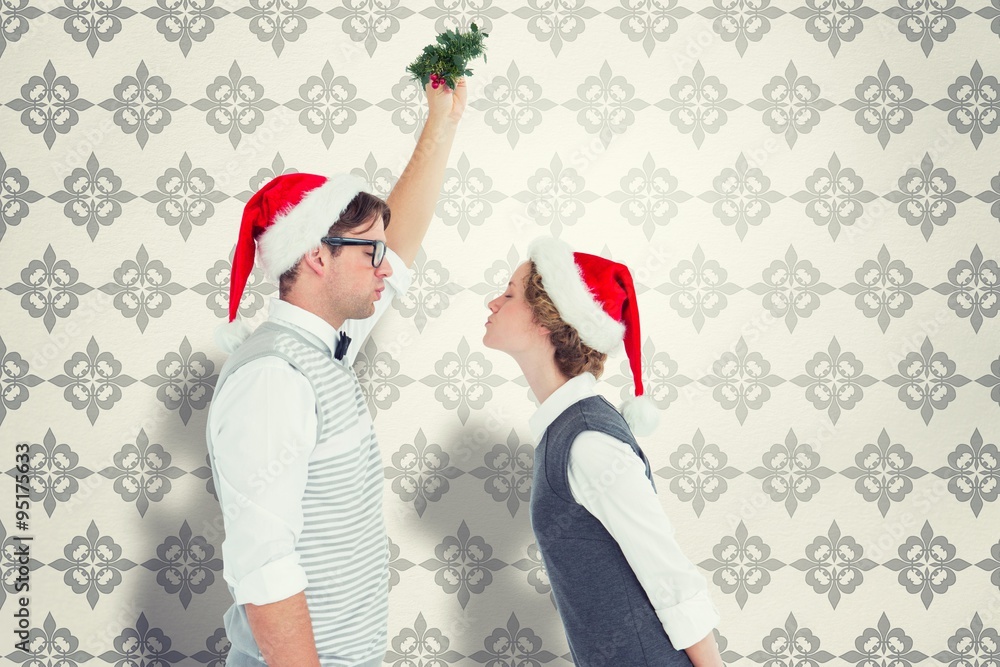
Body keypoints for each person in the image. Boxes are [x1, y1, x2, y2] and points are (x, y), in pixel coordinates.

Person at [204, 79, 466, 667]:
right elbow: (265, 570)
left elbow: (398, 245)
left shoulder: (321, 353)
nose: (385, 265)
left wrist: (441, 123)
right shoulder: (273, 378)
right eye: (369, 252)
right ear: (317, 255)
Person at [482, 237, 725, 667]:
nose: (493, 302)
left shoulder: (589, 440)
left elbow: (668, 573)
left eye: (509, 293)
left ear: (545, 320)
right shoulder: (565, 432)